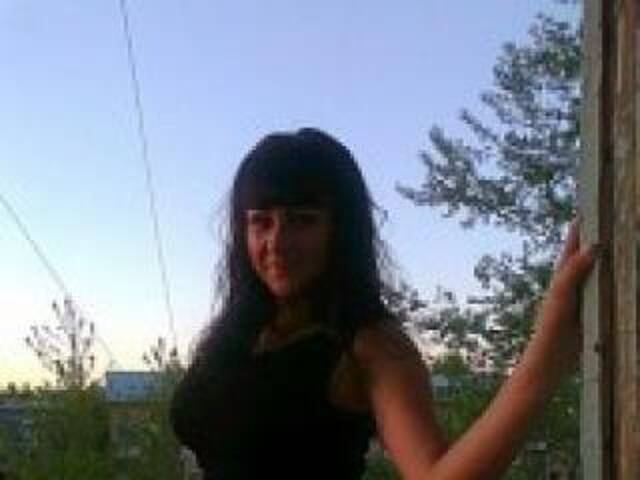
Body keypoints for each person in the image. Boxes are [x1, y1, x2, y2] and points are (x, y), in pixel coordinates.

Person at [169, 127, 599, 480]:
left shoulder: (370, 345)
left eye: (302, 220)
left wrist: (548, 353)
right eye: (261, 222)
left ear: (341, 231)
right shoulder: (239, 331)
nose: (276, 243)